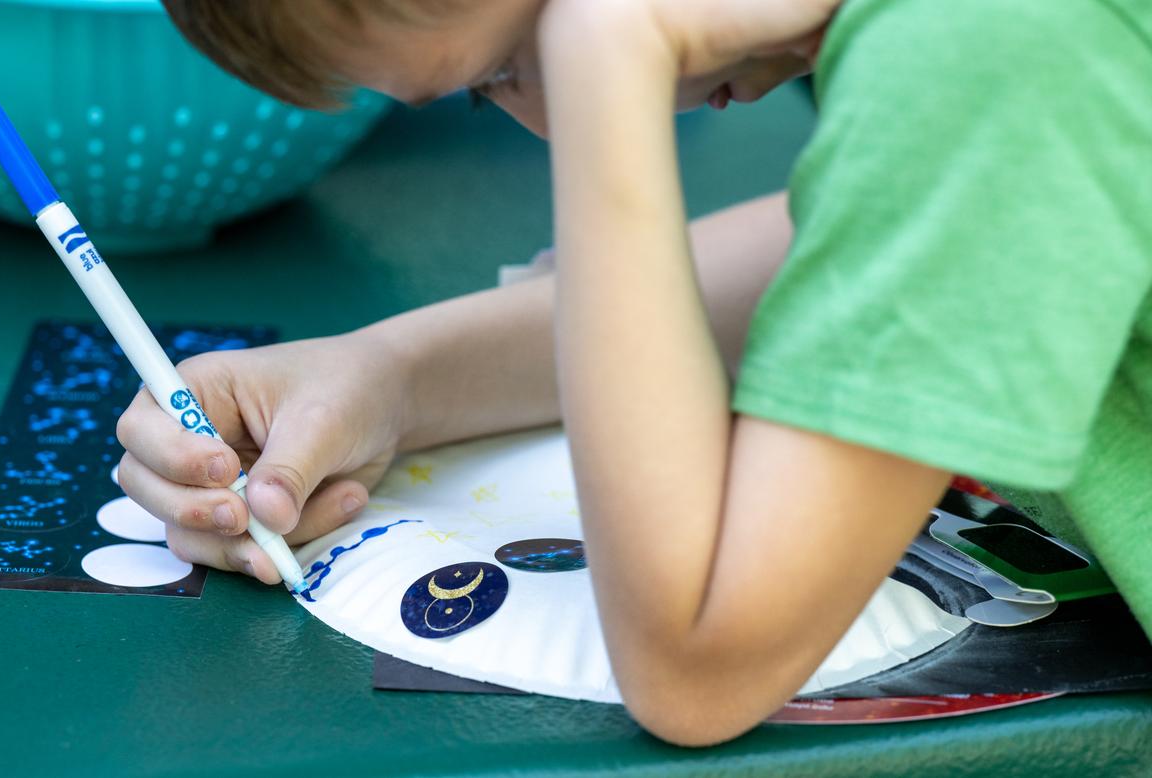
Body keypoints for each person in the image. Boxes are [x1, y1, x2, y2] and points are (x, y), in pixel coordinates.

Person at [116, 0, 1152, 745]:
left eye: (503, 65)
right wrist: (386, 376)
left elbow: (698, 663)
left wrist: (606, 50)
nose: (546, 118)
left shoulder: (986, 40)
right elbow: (869, 256)